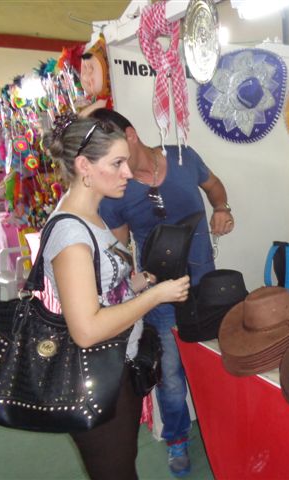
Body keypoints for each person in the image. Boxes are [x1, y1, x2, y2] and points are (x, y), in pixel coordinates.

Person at [42, 114, 190, 479]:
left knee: (122, 464)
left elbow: (101, 292)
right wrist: (155, 297)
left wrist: (142, 281)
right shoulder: (71, 237)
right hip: (94, 379)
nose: (128, 173)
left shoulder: (90, 217)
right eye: (117, 163)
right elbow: (87, 329)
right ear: (84, 166)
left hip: (114, 368)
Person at [91, 108, 234, 477]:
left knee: (220, 366)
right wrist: (133, 280)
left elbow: (214, 186)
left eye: (116, 155)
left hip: (206, 287)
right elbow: (120, 251)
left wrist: (221, 208)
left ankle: (226, 432)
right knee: (170, 375)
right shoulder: (116, 193)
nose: (116, 168)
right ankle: (177, 438)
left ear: (131, 135)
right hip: (162, 296)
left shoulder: (183, 158)